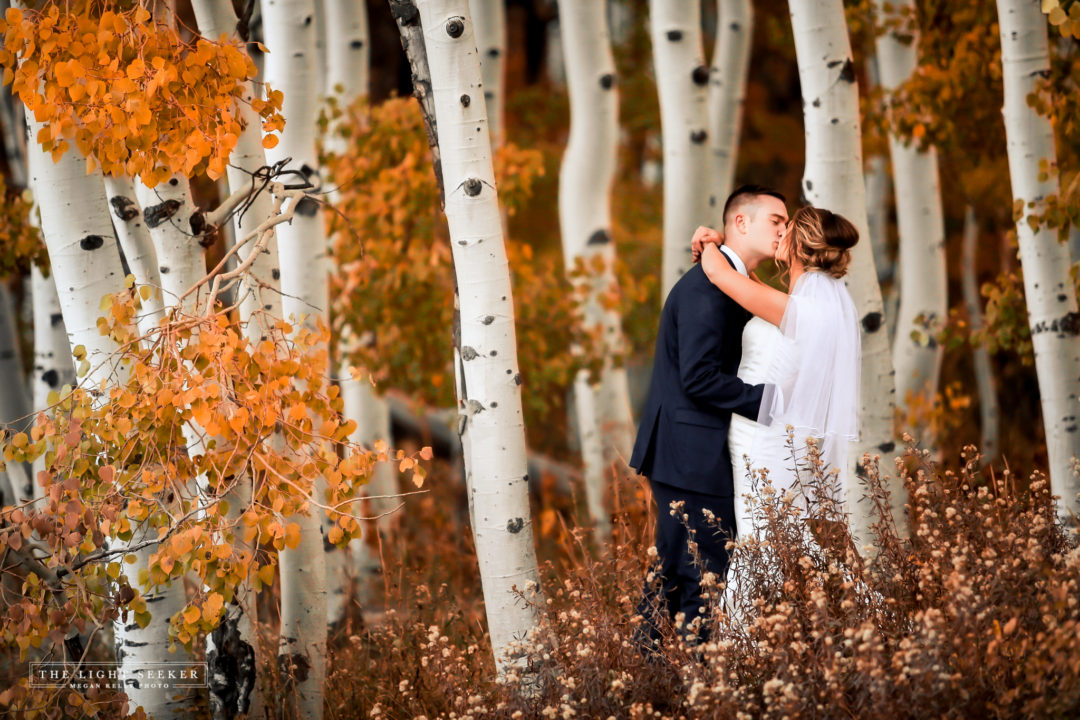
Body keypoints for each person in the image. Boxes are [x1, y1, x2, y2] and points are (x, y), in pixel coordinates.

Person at [629, 185, 789, 649]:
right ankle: (684, 683)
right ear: (740, 222)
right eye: (775, 220)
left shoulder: (726, 279)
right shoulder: (705, 285)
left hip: (695, 452)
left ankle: (648, 675)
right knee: (703, 572)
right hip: (688, 455)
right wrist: (772, 402)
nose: (783, 229)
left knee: (678, 569)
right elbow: (698, 378)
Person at [696, 206, 861, 594]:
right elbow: (753, 287)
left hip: (764, 441)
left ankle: (744, 641)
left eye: (787, 230)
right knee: (781, 536)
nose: (780, 234)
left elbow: (720, 274)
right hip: (781, 436)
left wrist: (708, 241)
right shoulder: (818, 307)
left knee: (761, 538)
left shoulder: (800, 309)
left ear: (799, 246)